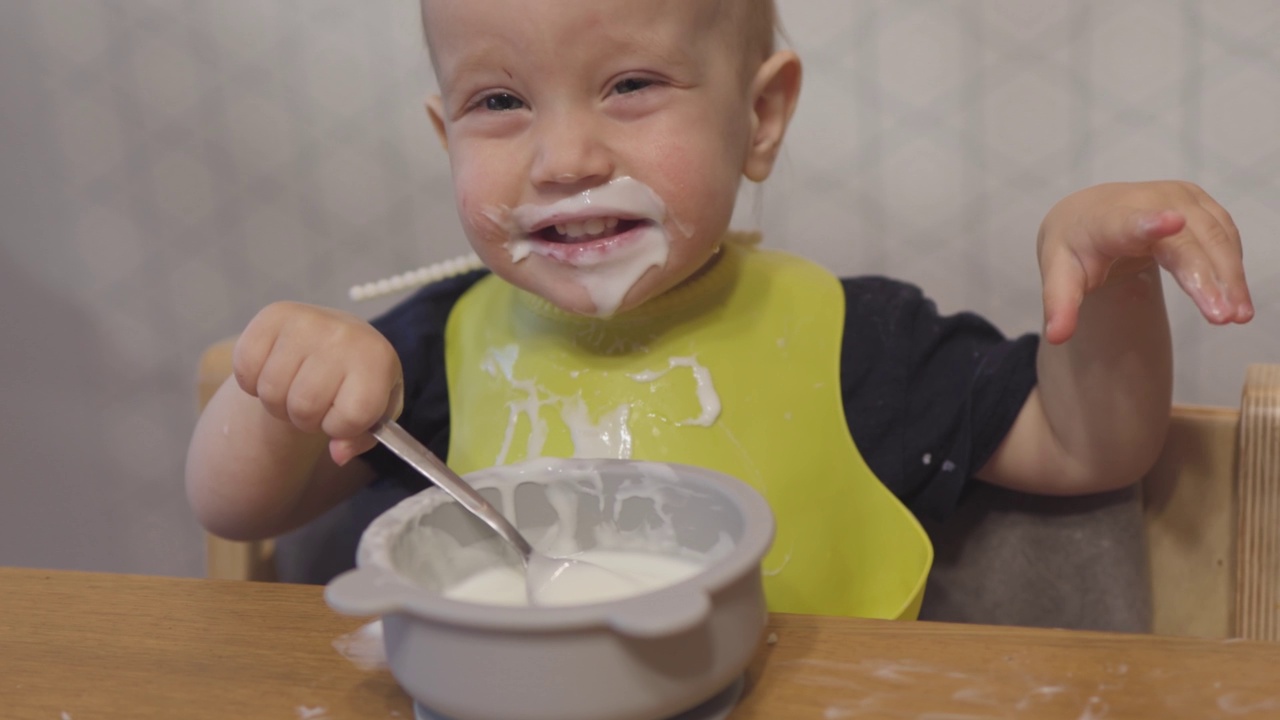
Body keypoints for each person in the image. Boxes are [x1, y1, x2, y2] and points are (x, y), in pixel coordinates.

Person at [185, 0, 1252, 617]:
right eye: (498, 103)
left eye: (630, 86)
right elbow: (239, 511)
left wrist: (1104, 283)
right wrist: (273, 389)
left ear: (759, 117)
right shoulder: (431, 345)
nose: (563, 158)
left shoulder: (854, 344)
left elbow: (1088, 449)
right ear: (444, 135)